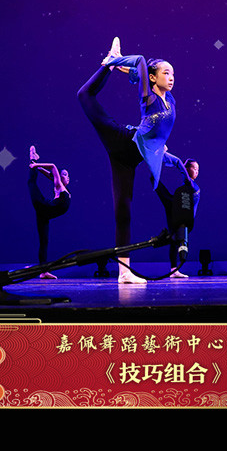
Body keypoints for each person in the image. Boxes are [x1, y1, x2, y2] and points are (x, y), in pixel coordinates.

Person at [77, 36, 175, 284]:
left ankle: (124, 273)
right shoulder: (148, 97)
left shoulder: (171, 101)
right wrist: (116, 61)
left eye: (172, 73)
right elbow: (140, 63)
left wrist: (159, 147)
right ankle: (107, 64)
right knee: (85, 95)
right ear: (153, 78)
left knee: (123, 212)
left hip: (128, 160)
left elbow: (160, 130)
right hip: (122, 141)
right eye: (165, 73)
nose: (171, 77)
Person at [25, 145, 71, 279]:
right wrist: (35, 164)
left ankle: (43, 271)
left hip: (44, 214)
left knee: (44, 241)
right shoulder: (59, 186)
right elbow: (52, 167)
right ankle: (32, 158)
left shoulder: (62, 187)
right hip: (44, 206)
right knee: (31, 183)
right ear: (60, 177)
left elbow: (50, 174)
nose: (67, 177)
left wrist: (38, 168)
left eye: (68, 175)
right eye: (65, 174)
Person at [153, 153, 201, 278]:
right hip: (179, 213)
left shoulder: (192, 187)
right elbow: (180, 164)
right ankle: (174, 270)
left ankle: (174, 270)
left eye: (198, 169)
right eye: (194, 168)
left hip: (184, 215)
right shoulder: (187, 186)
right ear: (187, 169)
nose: (197, 171)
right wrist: (169, 158)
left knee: (175, 241)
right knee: (175, 240)